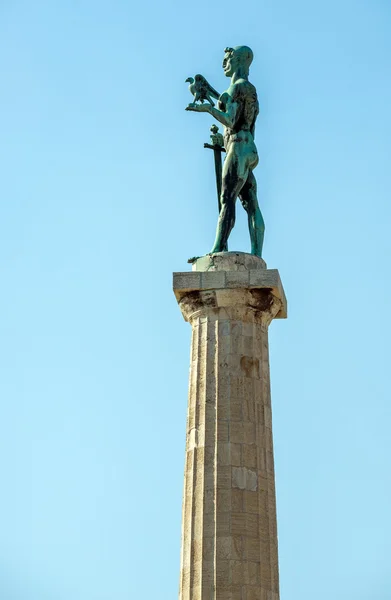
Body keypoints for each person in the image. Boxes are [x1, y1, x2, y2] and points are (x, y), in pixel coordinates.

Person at [186, 46, 265, 257]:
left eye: (227, 59)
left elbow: (229, 119)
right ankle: (256, 253)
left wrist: (208, 109)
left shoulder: (235, 89)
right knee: (251, 202)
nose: (224, 64)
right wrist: (224, 140)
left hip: (239, 149)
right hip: (248, 149)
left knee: (227, 198)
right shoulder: (251, 91)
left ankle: (217, 249)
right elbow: (244, 125)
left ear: (238, 60)